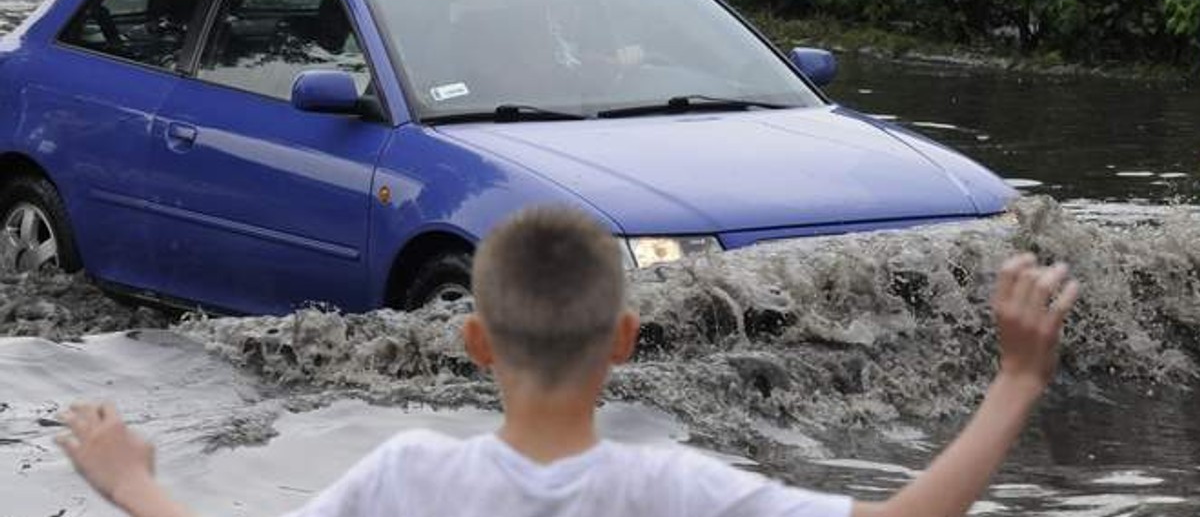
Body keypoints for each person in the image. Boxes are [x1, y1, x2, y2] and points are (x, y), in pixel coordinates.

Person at [57, 206, 1079, 517]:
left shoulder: (411, 476)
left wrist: (134, 478)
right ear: (626, 341)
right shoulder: (672, 488)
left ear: (473, 341)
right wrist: (1016, 378)